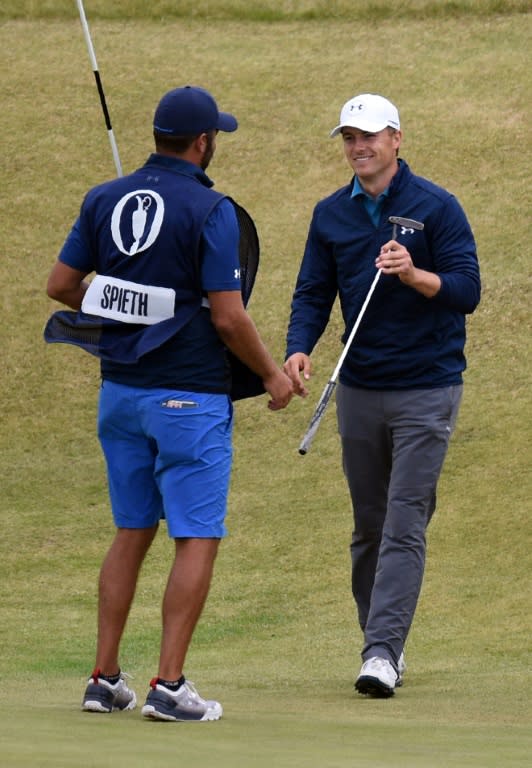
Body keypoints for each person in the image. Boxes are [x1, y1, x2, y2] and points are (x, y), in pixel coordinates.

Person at [46, 85, 302, 721]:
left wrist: (127, 304)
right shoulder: (213, 209)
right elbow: (228, 318)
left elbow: (61, 286)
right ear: (203, 143)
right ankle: (168, 686)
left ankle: (104, 679)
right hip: (188, 399)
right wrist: (272, 376)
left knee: (132, 529)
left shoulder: (104, 197)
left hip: (119, 397)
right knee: (195, 536)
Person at [284, 93, 480, 697]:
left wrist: (415, 274)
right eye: (348, 137)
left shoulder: (437, 207)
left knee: (404, 521)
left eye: (369, 135)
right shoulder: (329, 214)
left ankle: (381, 653)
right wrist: (298, 347)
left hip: (427, 387)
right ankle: (382, 641)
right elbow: (313, 291)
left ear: (397, 138)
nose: (358, 147)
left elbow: (466, 289)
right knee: (369, 525)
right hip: (360, 388)